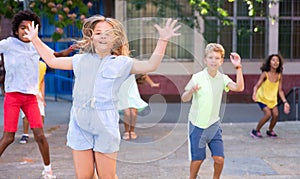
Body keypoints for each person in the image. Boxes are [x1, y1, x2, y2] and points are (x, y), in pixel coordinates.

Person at [24, 15, 180, 179]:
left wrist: (163, 41)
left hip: (105, 124)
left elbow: (150, 65)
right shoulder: (80, 60)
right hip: (79, 122)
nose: (103, 36)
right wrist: (34, 39)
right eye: (98, 32)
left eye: (108, 33)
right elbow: (52, 61)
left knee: (107, 176)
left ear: (116, 39)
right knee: (84, 176)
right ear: (91, 36)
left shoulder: (123, 63)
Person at [0, 10, 56, 179]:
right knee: (8, 137)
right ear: (16, 30)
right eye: (22, 27)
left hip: (31, 98)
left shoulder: (36, 46)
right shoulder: (9, 43)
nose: (26, 31)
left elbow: (55, 56)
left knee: (39, 135)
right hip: (13, 97)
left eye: (30, 27)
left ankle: (48, 171)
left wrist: (71, 49)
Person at [181, 43, 244, 179]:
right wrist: (191, 91)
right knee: (198, 159)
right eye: (210, 57)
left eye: (217, 58)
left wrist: (238, 67)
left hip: (213, 125)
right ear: (205, 60)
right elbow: (184, 98)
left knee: (219, 159)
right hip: (197, 125)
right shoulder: (197, 77)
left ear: (221, 61)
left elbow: (239, 87)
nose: (213, 61)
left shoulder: (222, 78)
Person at [19, 45, 77, 144]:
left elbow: (42, 81)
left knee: (41, 114)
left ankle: (39, 133)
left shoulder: (42, 66)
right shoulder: (24, 65)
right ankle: (25, 134)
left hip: (37, 92)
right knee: (26, 115)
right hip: (26, 92)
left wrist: (42, 96)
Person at [251, 54, 290, 138]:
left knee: (276, 114)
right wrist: (254, 94)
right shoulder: (265, 74)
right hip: (262, 98)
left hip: (272, 99)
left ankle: (270, 130)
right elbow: (257, 86)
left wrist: (285, 102)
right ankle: (256, 130)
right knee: (268, 114)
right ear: (269, 63)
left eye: (277, 60)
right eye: (273, 60)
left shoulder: (279, 75)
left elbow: (280, 90)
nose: (275, 62)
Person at [118, 74, 160, 140]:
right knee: (127, 113)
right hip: (123, 92)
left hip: (132, 92)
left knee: (133, 113)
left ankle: (131, 131)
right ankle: (126, 131)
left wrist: (152, 83)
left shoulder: (132, 66)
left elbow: (143, 73)